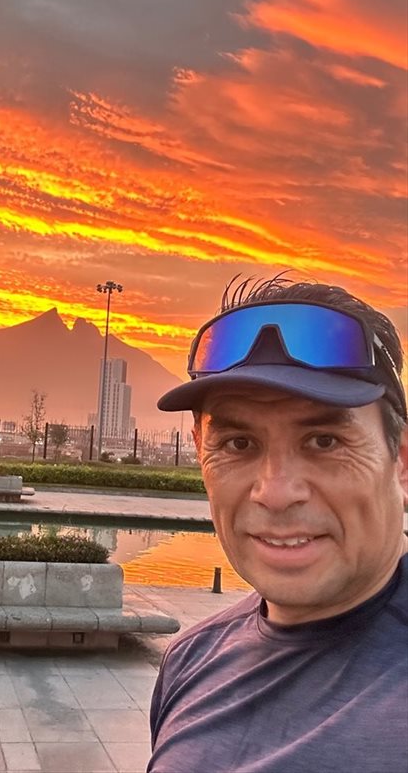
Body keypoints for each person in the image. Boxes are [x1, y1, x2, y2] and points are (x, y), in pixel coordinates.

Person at [148, 275, 407, 773]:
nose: (275, 493)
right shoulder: (191, 660)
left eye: (324, 441)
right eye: (239, 444)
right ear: (201, 455)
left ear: (401, 462)